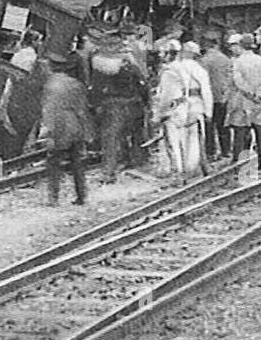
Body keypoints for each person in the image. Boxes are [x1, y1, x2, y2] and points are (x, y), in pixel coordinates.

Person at [87, 25, 148, 183]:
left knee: (111, 138)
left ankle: (109, 172)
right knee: (136, 134)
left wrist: (93, 105)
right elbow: (141, 82)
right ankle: (137, 161)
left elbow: (95, 87)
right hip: (132, 103)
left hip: (110, 105)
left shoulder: (97, 63)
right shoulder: (129, 62)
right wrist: (147, 102)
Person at [39, 53, 92, 205]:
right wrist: (87, 131)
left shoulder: (49, 85)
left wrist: (46, 130)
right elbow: (82, 110)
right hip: (74, 125)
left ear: (51, 67)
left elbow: (48, 109)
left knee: (54, 162)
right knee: (76, 162)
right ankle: (81, 196)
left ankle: (53, 198)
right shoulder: (76, 84)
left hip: (58, 126)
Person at [151, 38, 206, 182]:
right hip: (187, 106)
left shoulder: (169, 71)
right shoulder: (183, 67)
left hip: (174, 109)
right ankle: (192, 169)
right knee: (190, 141)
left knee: (175, 143)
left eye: (162, 53)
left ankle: (179, 172)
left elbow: (166, 97)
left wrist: (158, 115)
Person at [229, 33, 261, 169]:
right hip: (260, 102)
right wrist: (259, 94)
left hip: (244, 100)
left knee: (241, 132)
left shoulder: (238, 62)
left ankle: (239, 162)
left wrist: (250, 94)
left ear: (241, 46)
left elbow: (238, 81)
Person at [179, 40, 214, 173]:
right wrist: (208, 111)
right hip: (194, 104)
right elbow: (205, 90)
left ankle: (182, 168)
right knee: (196, 136)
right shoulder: (197, 69)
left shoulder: (173, 67)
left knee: (181, 138)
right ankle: (198, 167)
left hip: (177, 105)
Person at [199, 28, 233, 160]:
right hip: (222, 96)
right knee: (223, 125)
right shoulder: (225, 58)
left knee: (209, 127)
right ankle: (226, 150)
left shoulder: (204, 61)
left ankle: (211, 152)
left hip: (210, 98)